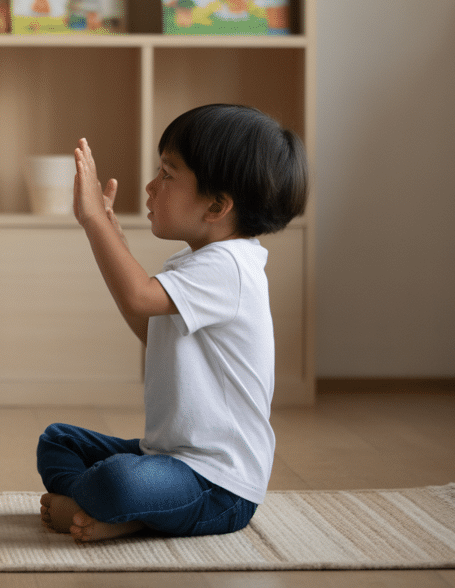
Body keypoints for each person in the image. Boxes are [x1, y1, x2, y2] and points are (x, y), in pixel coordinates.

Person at [38, 104, 307, 542]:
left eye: (167, 173)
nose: (150, 185)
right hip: (167, 459)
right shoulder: (198, 262)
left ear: (217, 205)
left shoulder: (230, 266)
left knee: (117, 480)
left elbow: (138, 296)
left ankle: (117, 508)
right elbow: (152, 329)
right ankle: (116, 509)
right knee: (58, 442)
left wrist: (94, 221)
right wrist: (114, 239)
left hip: (217, 485)